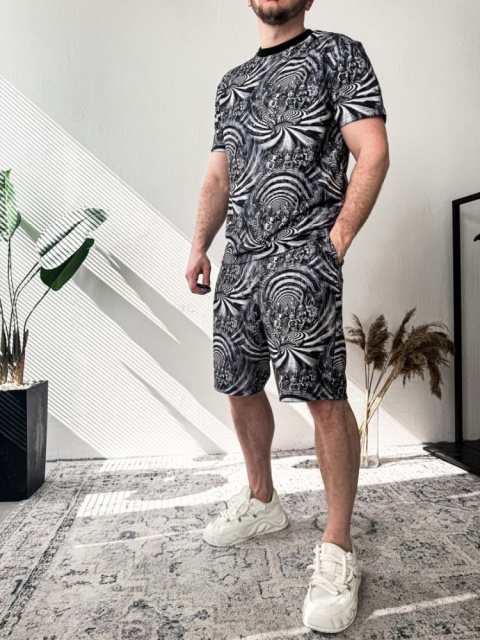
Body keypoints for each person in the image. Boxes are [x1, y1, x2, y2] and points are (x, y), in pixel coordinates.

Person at [185, 0, 389, 633]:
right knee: (239, 383)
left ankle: (337, 547)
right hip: (240, 261)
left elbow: (372, 151)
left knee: (323, 395)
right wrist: (199, 245)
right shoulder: (232, 83)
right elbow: (218, 178)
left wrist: (338, 239)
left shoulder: (339, 54)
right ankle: (262, 498)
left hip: (305, 255)